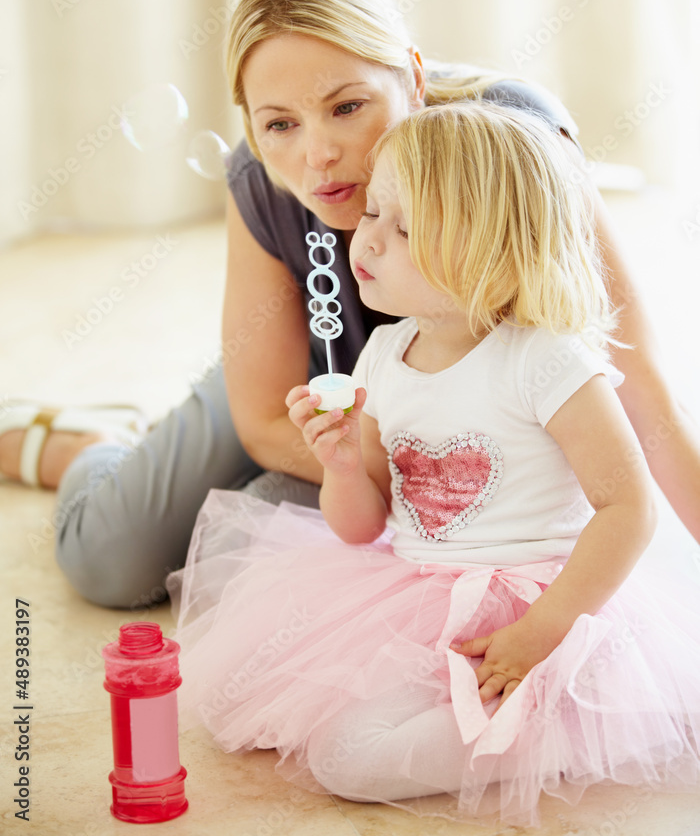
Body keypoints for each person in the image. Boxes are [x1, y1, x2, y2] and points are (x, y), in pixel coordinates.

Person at [1, 0, 698, 609]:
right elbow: (265, 416)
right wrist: (397, 473)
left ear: (414, 79)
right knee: (111, 557)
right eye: (279, 124)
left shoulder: (512, 143)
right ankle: (93, 448)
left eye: (347, 107)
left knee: (257, 556)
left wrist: (462, 472)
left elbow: (634, 374)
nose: (319, 156)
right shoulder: (265, 180)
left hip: (481, 402)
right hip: (324, 380)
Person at [168, 102, 700, 827]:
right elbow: (365, 527)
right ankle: (489, 716)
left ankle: (551, 730)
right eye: (376, 210)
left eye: (405, 227)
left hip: (540, 607)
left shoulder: (545, 360)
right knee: (240, 696)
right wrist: (344, 466)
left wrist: (542, 631)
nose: (369, 238)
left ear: (493, 251)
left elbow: (629, 509)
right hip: (420, 593)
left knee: (346, 761)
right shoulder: (387, 354)